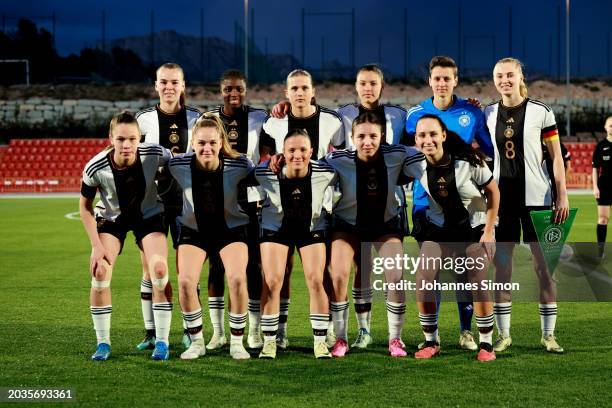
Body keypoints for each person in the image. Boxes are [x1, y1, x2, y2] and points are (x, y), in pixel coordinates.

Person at [270, 64, 408, 349]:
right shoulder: (342, 116)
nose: (368, 88)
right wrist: (280, 153)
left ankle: (384, 335)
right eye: (362, 83)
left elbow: (424, 145)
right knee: (334, 271)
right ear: (356, 86)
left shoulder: (400, 116)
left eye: (373, 83)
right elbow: (320, 154)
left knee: (376, 270)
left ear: (382, 86)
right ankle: (338, 334)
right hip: (344, 209)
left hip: (385, 209)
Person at [405, 55, 495, 352]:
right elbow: (402, 156)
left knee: (468, 273)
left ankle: (470, 332)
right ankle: (433, 337)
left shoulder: (471, 113)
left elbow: (486, 154)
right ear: (429, 81)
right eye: (437, 78)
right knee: (429, 273)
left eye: (447, 78)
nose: (441, 83)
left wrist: (488, 226)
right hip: (427, 208)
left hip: (468, 210)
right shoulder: (414, 114)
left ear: (455, 80)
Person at [323, 111, 426, 358]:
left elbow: (431, 152)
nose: (367, 141)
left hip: (385, 226)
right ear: (352, 137)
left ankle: (395, 339)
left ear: (382, 136)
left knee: (396, 274)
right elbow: (307, 164)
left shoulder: (398, 154)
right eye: (361, 136)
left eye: (372, 136)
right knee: (338, 275)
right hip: (347, 225)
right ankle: (340, 338)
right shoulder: (336, 159)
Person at [484, 57, 569, 353]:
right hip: (502, 202)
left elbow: (556, 157)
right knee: (502, 269)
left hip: (538, 200)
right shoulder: (488, 112)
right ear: (494, 80)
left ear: (520, 76)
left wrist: (563, 193)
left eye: (509, 74)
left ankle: (548, 335)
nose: (504, 80)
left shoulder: (541, 112)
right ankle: (504, 335)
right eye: (499, 76)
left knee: (544, 269)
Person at [259, 69, 344, 349]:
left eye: (304, 87)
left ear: (313, 90)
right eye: (293, 88)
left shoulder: (332, 121)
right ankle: (280, 330)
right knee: (281, 271)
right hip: (284, 205)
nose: (299, 92)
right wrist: (272, 159)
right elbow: (267, 157)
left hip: (319, 207)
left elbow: (340, 158)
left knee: (323, 272)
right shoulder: (275, 122)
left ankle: (328, 328)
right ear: (286, 92)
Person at [80, 111, 173, 361]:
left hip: (149, 216)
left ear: (139, 138)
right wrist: (96, 246)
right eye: (121, 139)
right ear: (111, 138)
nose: (127, 144)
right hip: (112, 220)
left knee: (160, 270)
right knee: (100, 272)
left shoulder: (154, 153)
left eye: (132, 138)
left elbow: (176, 164)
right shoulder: (96, 166)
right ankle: (103, 343)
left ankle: (162, 341)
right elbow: (84, 207)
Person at [168, 114, 253, 360]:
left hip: (231, 231)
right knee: (185, 282)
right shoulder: (178, 165)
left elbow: (263, 180)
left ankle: (237, 341)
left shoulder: (240, 165)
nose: (207, 148)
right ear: (193, 142)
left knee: (237, 279)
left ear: (221, 142)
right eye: (201, 143)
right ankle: (197, 342)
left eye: (212, 143)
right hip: (194, 232)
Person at [134, 62, 200, 351]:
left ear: (183, 86)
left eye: (175, 82)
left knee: (188, 270)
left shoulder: (198, 118)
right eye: (164, 82)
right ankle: (150, 333)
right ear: (156, 85)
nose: (169, 87)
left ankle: (190, 329)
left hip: (187, 205)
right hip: (153, 204)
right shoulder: (144, 119)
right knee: (149, 268)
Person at [201, 70, 268, 350]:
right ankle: (218, 332)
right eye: (228, 89)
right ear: (221, 90)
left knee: (253, 266)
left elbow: (267, 153)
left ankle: (253, 330)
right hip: (217, 199)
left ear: (245, 90)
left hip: (250, 198)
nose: (234, 93)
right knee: (216, 266)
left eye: (238, 89)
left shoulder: (259, 117)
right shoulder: (208, 119)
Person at [255, 129, 337, 359]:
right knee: (272, 280)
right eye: (291, 150)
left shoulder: (326, 170)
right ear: (282, 152)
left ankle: (320, 341)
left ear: (311, 151)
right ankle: (270, 340)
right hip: (276, 228)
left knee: (315, 278)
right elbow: (240, 179)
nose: (297, 155)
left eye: (303, 150)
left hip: (311, 228)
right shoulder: (265, 171)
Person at [592, 116, 612, 258]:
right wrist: (595, 187)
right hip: (604, 185)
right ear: (605, 127)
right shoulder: (600, 146)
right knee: (603, 219)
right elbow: (594, 169)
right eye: (610, 125)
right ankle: (600, 251)